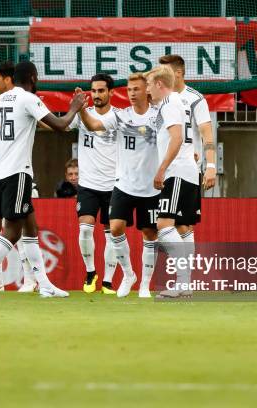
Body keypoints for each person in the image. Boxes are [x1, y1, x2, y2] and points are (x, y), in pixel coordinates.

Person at [0, 61, 86, 298]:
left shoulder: (2, 99)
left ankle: (45, 284)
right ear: (32, 77)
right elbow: (62, 125)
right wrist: (75, 106)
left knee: (31, 228)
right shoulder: (28, 99)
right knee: (12, 232)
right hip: (17, 173)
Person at [78, 73, 160, 298]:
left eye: (136, 89)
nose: (132, 93)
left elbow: (173, 138)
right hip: (123, 184)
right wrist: (81, 109)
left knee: (149, 234)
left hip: (151, 187)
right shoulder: (121, 116)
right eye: (130, 89)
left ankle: (144, 285)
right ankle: (128, 274)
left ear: (147, 91)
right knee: (114, 229)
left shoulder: (158, 117)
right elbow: (94, 125)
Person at [0, 61, 39, 293]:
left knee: (19, 223)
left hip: (14, 170)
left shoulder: (23, 102)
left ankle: (30, 279)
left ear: (9, 79)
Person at [144, 65, 199, 299]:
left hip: (176, 172)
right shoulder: (177, 102)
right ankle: (185, 283)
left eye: (148, 84)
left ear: (159, 84)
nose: (147, 90)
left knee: (164, 226)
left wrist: (162, 169)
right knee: (182, 228)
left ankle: (182, 283)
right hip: (186, 171)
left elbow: (176, 138)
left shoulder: (169, 104)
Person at [159, 55, 216, 261]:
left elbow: (207, 134)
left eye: (164, 72)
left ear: (179, 73)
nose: (160, 77)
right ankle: (184, 281)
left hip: (182, 168)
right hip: (165, 168)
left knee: (177, 225)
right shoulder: (160, 98)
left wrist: (210, 166)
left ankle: (183, 280)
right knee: (177, 226)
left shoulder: (195, 98)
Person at [69, 74, 119, 294]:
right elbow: (59, 125)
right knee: (84, 231)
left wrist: (79, 108)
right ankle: (91, 273)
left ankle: (108, 281)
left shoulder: (118, 117)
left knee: (113, 234)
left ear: (111, 92)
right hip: (88, 184)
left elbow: (93, 125)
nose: (96, 95)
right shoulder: (82, 114)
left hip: (114, 185)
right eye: (94, 91)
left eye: (101, 91)